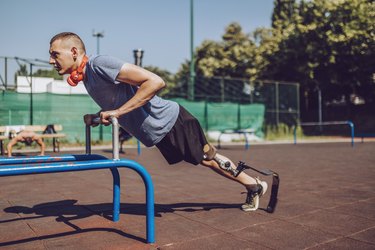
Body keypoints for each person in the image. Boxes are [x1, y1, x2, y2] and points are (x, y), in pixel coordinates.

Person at [49, 32, 268, 211]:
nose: (51, 60)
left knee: (208, 158)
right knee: (206, 158)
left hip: (171, 121)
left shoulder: (99, 64)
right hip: (159, 130)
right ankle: (253, 185)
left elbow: (155, 81)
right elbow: (118, 100)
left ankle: (254, 185)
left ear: (74, 52)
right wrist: (98, 116)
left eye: (55, 54)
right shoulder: (88, 78)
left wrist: (117, 111)